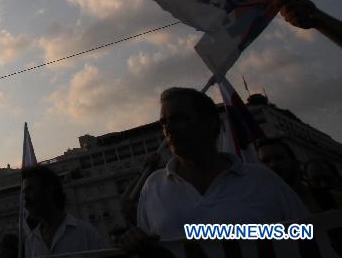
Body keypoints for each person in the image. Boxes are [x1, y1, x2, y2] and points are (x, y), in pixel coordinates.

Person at [122, 87, 307, 250]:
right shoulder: (153, 185)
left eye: (179, 118)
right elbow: (146, 243)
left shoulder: (262, 179)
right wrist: (134, 241)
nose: (169, 128)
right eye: (164, 123)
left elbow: (308, 237)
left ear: (210, 122)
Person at [22, 164, 108, 257]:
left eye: (30, 189)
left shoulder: (86, 233)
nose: (25, 197)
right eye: (24, 192)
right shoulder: (31, 242)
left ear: (48, 191)